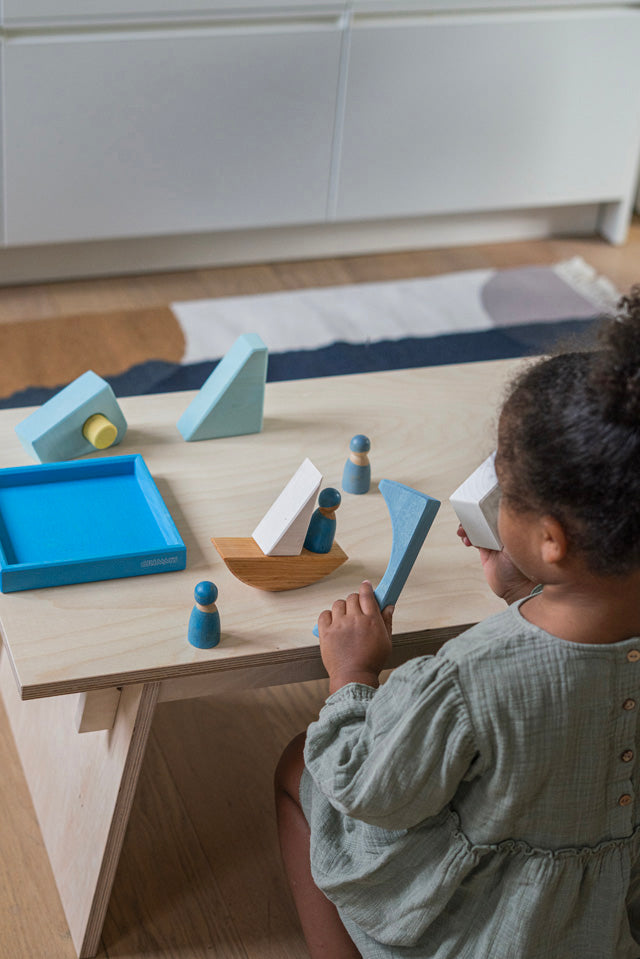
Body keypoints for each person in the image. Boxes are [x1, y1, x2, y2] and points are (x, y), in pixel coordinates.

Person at [274, 288, 640, 958]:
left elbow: (368, 786)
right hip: (604, 922)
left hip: (486, 930)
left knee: (301, 768)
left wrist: (352, 676)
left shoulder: (468, 675)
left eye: (505, 488)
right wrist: (527, 582)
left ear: (552, 539)